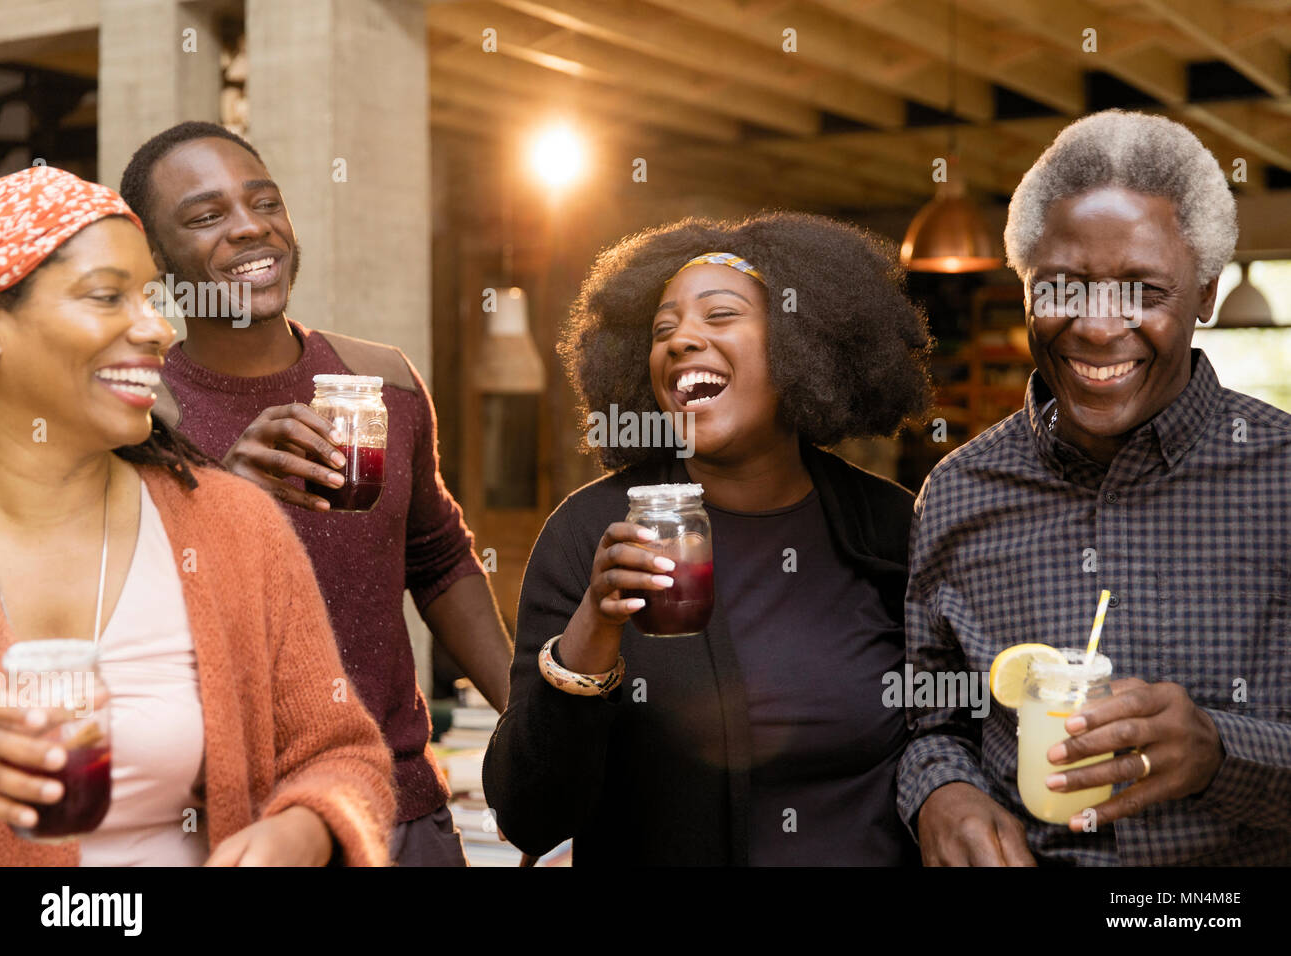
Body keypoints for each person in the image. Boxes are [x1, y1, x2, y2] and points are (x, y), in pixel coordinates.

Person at [900, 109, 1291, 866]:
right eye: (1061, 287)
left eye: (1144, 290)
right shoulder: (955, 493)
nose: (1097, 327)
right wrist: (941, 792)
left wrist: (1219, 751)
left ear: (1205, 294)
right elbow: (930, 719)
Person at [483, 212, 934, 865]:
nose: (683, 338)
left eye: (719, 316)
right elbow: (530, 816)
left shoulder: (892, 529)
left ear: (799, 343)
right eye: (663, 329)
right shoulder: (588, 534)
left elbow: (949, 737)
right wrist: (592, 634)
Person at [118, 122, 513, 866]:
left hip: (402, 814)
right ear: (155, 259)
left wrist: (523, 713)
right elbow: (119, 614)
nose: (249, 227)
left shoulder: (381, 380)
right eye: (206, 217)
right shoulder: (140, 412)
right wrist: (225, 498)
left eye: (265, 201)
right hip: (229, 825)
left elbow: (437, 558)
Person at [0, 165, 394, 866]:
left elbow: (342, 755)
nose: (155, 327)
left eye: (149, 295)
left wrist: (301, 829)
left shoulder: (231, 527)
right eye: (107, 296)